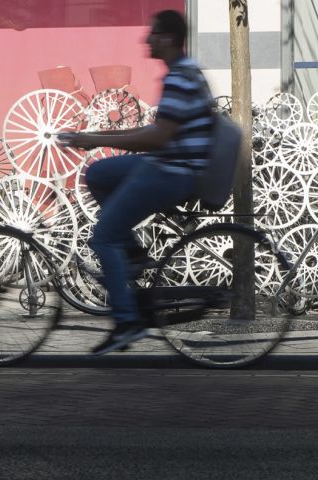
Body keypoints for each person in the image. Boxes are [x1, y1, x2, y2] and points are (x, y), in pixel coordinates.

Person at [58, 10, 215, 354]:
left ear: (169, 39)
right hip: (167, 164)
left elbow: (157, 138)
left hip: (173, 172)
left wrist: (97, 141)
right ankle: (132, 254)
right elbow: (153, 133)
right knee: (97, 174)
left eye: (154, 34)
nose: (147, 39)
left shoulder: (180, 78)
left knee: (101, 238)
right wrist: (95, 136)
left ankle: (127, 322)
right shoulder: (183, 73)